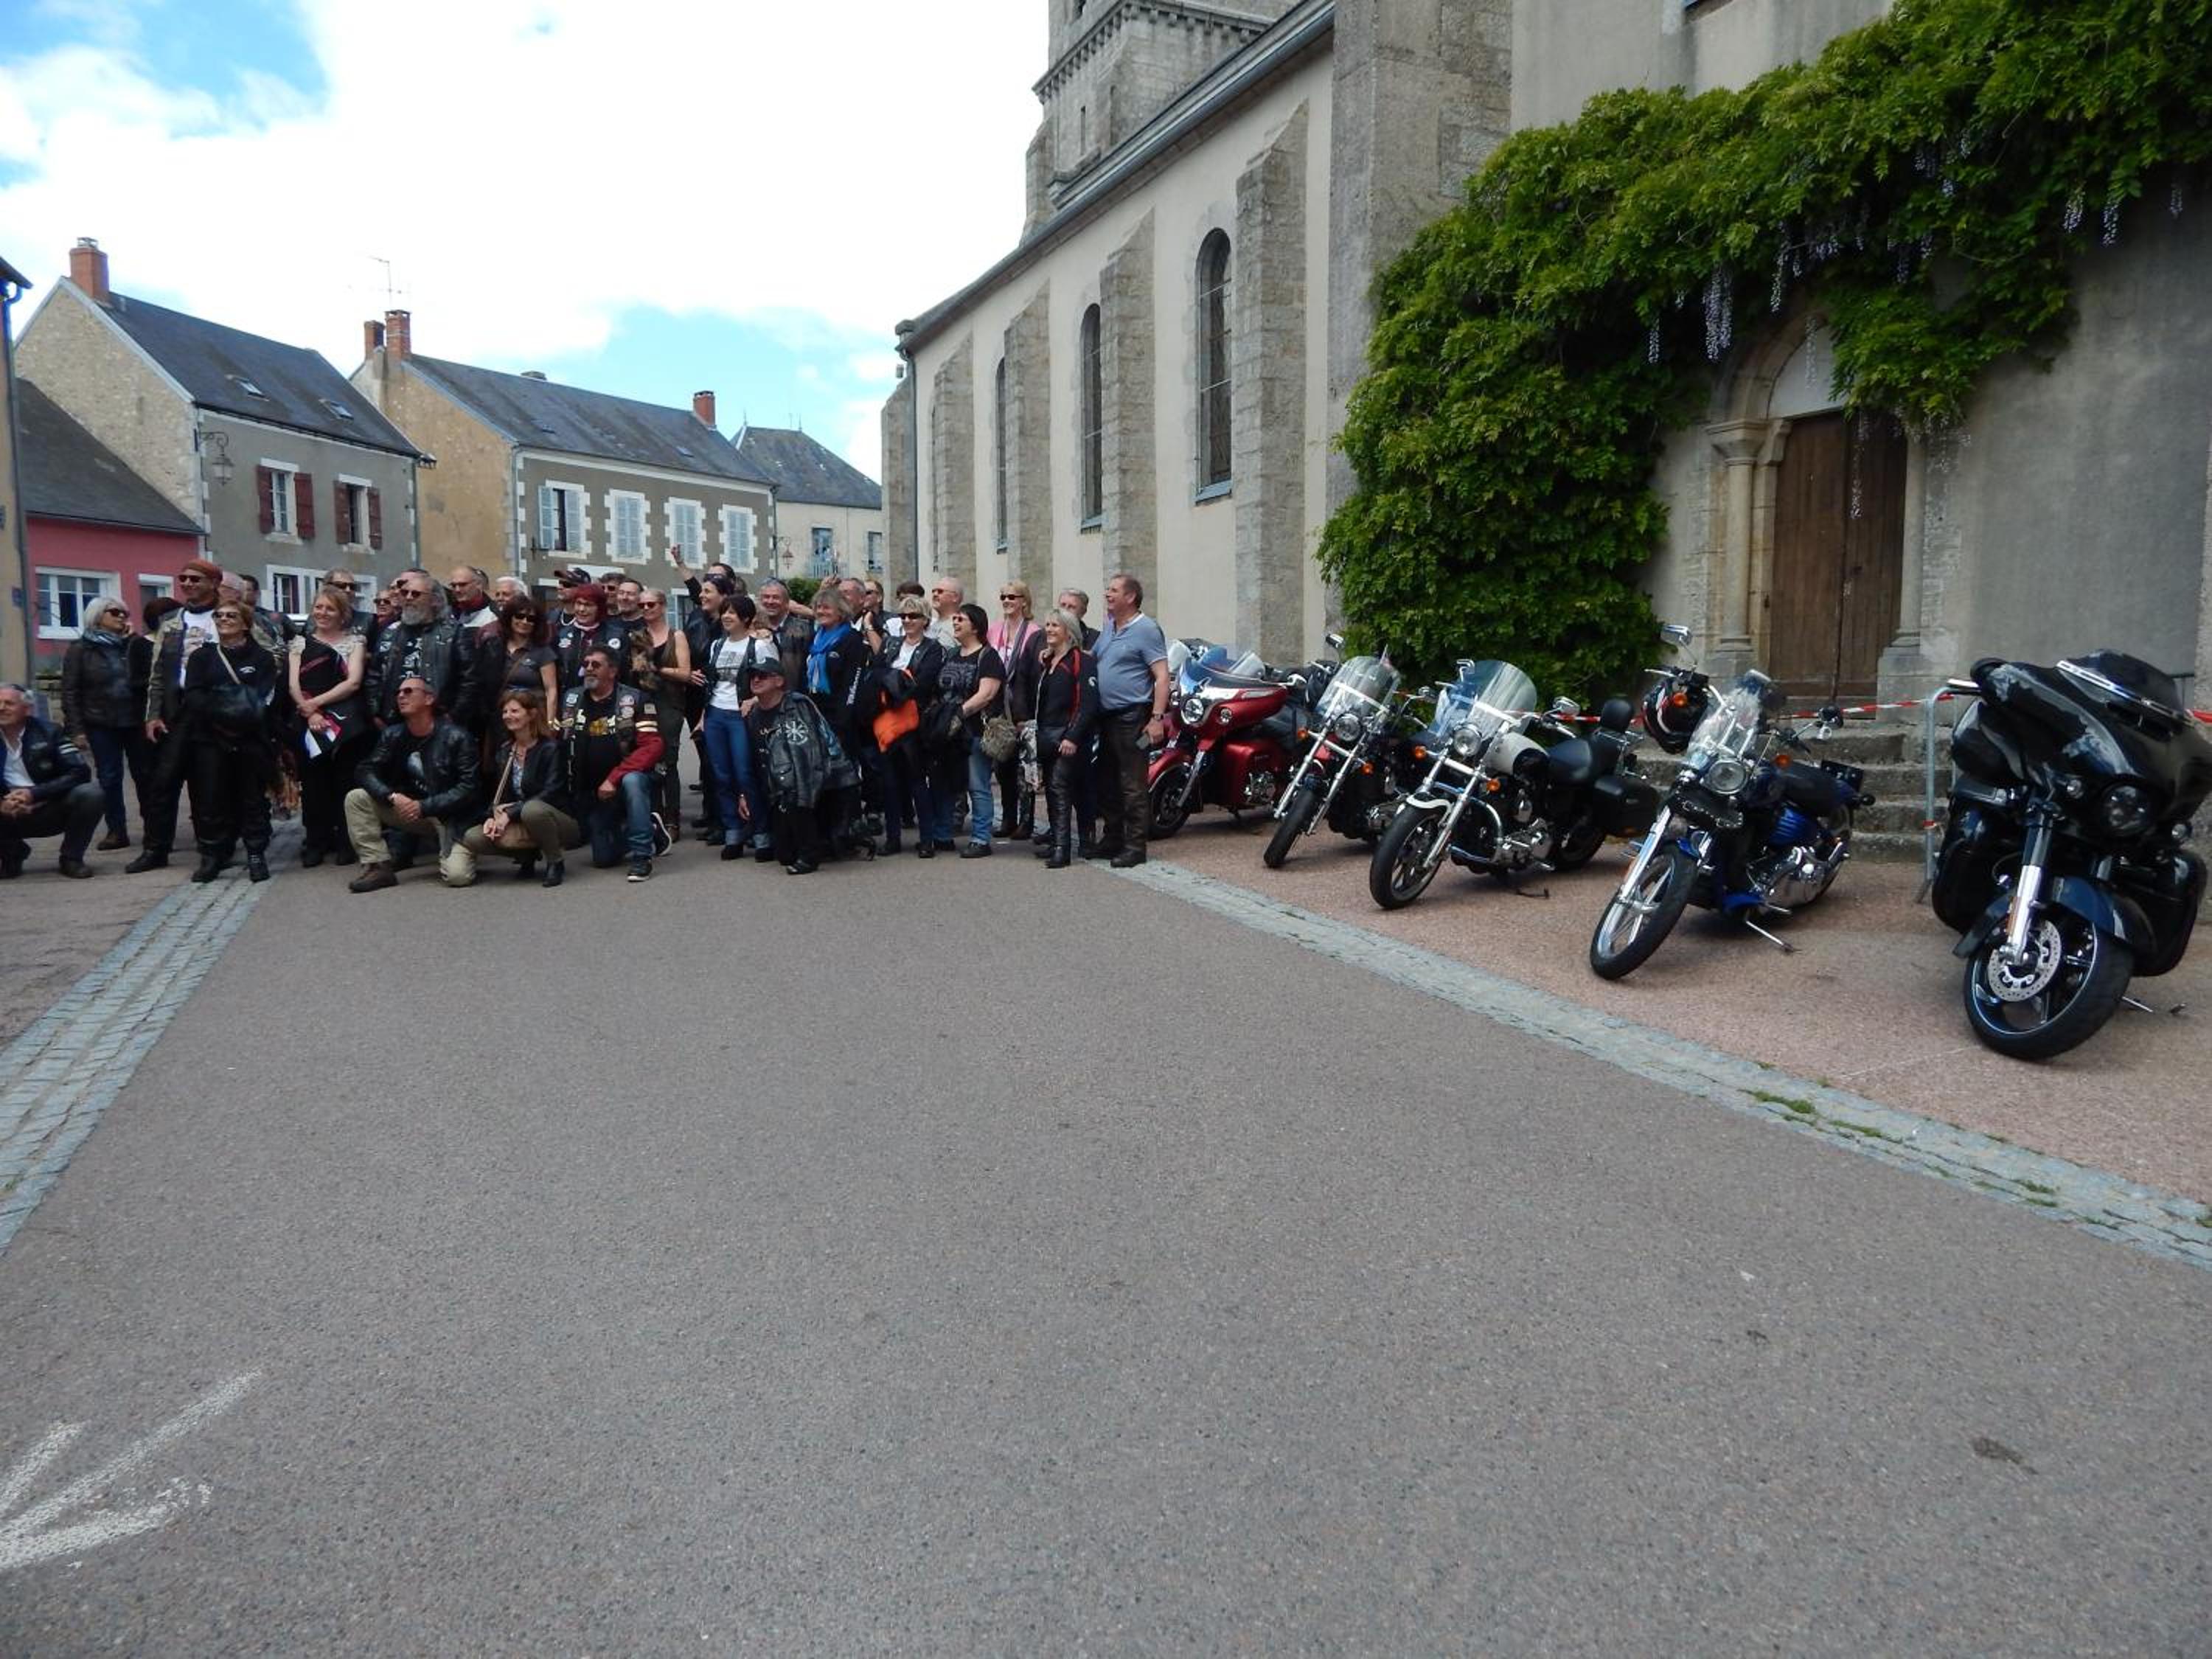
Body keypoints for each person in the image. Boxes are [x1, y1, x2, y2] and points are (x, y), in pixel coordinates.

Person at [130, 559, 276, 872]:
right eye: (183, 578)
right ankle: (156, 849)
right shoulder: (171, 622)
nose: (187, 584)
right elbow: (158, 672)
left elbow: (271, 654)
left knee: (210, 785)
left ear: (214, 583)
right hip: (180, 710)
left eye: (195, 579)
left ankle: (215, 849)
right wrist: (152, 714)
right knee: (163, 782)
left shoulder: (232, 614)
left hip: (229, 713)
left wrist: (248, 699)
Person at [344, 675, 481, 892]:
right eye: (398, 692)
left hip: (450, 817)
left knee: (458, 877)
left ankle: (464, 850)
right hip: (408, 810)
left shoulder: (458, 737)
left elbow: (469, 788)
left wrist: (424, 806)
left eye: (408, 691)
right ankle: (377, 867)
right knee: (357, 798)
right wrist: (392, 796)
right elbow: (365, 769)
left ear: (429, 699)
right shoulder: (393, 735)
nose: (401, 696)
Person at [178, 598, 282, 883]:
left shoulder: (261, 658)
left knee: (252, 798)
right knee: (212, 798)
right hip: (210, 738)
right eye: (220, 615)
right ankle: (212, 854)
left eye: (231, 616)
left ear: (246, 624)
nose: (224, 620)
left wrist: (238, 716)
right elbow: (194, 695)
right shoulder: (202, 657)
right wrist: (221, 713)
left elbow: (264, 697)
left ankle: (256, 853)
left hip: (250, 738)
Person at [742, 657, 856, 874]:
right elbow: (757, 762)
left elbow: (809, 759)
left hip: (821, 779)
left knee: (797, 797)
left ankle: (812, 853)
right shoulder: (754, 715)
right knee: (784, 855)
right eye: (753, 676)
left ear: (779, 681)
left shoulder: (797, 706)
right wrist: (744, 795)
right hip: (781, 784)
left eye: (763, 675)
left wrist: (798, 797)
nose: (756, 680)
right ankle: (821, 841)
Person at [559, 645, 663, 882]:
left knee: (633, 781)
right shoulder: (571, 699)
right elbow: (559, 741)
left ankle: (642, 857)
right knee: (603, 858)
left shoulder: (635, 699)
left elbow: (653, 746)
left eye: (596, 665)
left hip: (625, 782)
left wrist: (614, 778)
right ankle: (652, 830)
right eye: (586, 664)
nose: (588, 669)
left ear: (613, 671)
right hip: (591, 789)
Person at [1090, 571, 1169, 869]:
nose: (1107, 594)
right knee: (1106, 780)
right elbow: (1092, 658)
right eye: (1107, 590)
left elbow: (1162, 676)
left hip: (1133, 717)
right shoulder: (1110, 626)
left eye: (1113, 590)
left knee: (1132, 783)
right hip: (1106, 717)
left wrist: (1156, 719)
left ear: (1131, 597)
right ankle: (1112, 838)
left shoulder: (1146, 629)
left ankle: (1136, 846)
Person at [288, 586, 371, 868]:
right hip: (309, 721)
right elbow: (293, 684)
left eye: (330, 609)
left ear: (342, 614)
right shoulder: (300, 643)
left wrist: (317, 704)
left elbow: (353, 682)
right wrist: (310, 712)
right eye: (319, 607)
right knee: (313, 784)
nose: (323, 613)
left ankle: (346, 842)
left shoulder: (355, 642)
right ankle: (315, 842)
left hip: (346, 721)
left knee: (345, 783)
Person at [462, 690, 580, 886]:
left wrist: (510, 813)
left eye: (515, 711)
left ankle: (555, 861)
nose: (508, 716)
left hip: (556, 819)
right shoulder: (505, 751)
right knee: (473, 837)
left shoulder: (551, 748)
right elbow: (501, 795)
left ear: (532, 714)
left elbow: (552, 792)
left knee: (532, 810)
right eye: (505, 711)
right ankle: (526, 854)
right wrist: (492, 817)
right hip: (519, 818)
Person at [59, 597, 149, 851]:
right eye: (115, 612)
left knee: (145, 775)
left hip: (135, 720)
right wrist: (76, 729)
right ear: (98, 616)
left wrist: (132, 642)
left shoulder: (132, 644)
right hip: (100, 721)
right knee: (109, 777)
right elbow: (70, 691)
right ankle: (116, 830)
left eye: (124, 613)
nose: (122, 616)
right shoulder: (81, 649)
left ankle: (154, 829)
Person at [699, 594, 777, 860]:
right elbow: (712, 683)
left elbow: (776, 677)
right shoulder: (717, 645)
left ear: (746, 618)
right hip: (716, 714)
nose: (726, 617)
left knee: (746, 774)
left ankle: (761, 833)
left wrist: (753, 700)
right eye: (724, 612)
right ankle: (733, 831)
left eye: (732, 612)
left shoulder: (760, 646)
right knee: (721, 775)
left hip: (741, 717)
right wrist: (703, 717)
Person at [0, 682, 103, 879]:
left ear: (27, 709)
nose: (2, 708)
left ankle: (71, 858)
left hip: (49, 806)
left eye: (9, 703)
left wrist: (34, 794)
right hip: (6, 811)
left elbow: (80, 772)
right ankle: (11, 855)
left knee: (92, 793)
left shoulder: (51, 732)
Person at [928, 602, 1005, 858]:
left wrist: (959, 714)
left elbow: (987, 694)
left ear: (976, 626)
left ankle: (981, 838)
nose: (956, 623)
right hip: (947, 733)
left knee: (977, 784)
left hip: (974, 731)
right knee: (945, 784)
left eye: (961, 619)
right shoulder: (950, 654)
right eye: (955, 619)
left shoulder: (988, 656)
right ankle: (942, 835)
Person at [874, 595, 943, 857]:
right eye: (903, 616)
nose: (907, 621)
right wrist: (897, 680)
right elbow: (876, 672)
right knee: (889, 783)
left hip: (915, 723)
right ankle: (892, 839)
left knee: (917, 782)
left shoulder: (932, 648)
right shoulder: (891, 644)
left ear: (925, 620)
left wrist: (895, 682)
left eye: (913, 616)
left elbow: (923, 683)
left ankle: (927, 840)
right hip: (887, 720)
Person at [1032, 608, 1099, 869]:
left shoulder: (1082, 660)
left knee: (1061, 788)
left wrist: (1072, 736)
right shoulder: (1049, 661)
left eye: (1055, 626)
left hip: (1069, 736)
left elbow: (1088, 704)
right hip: (1048, 735)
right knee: (1053, 789)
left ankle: (1064, 848)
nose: (1049, 630)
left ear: (1069, 631)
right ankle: (1060, 842)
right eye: (1047, 625)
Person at [369, 569, 477, 729]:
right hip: (392, 721)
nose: (408, 598)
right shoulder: (390, 632)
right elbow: (374, 674)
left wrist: (453, 717)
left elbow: (469, 680)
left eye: (416, 594)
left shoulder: (454, 634)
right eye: (405, 593)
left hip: (437, 722)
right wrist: (375, 713)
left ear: (434, 600)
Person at [989, 579, 1042, 839]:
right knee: (1003, 765)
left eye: (1012, 597)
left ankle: (1027, 820)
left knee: (1025, 766)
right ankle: (1008, 817)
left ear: (1024, 601)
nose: (1007, 601)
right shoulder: (994, 629)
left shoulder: (1034, 632)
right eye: (1004, 597)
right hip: (999, 706)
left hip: (1023, 705)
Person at [637, 587, 692, 838]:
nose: (646, 609)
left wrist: (657, 668)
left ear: (662, 606)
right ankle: (655, 816)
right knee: (647, 760)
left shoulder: (676, 636)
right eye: (643, 605)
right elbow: (635, 671)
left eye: (651, 604)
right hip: (643, 704)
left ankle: (672, 819)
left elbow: (685, 673)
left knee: (668, 761)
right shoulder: (638, 637)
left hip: (669, 703)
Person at [479, 597, 560, 748]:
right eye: (520, 616)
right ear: (510, 617)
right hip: (503, 718)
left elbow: (551, 690)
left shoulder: (543, 651)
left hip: (532, 719)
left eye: (531, 619)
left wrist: (550, 723)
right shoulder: (495, 646)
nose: (525, 621)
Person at [552, 583, 639, 689]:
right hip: (570, 695)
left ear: (600, 608)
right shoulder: (561, 634)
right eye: (578, 603)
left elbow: (624, 675)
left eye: (588, 605)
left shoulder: (617, 636)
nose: (581, 609)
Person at [757, 580, 815, 684]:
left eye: (776, 598)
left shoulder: (804, 629)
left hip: (794, 690)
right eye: (766, 597)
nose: (770, 601)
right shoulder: (754, 629)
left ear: (787, 603)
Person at [236, 573, 295, 644]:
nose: (240, 593)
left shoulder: (275, 618)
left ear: (257, 593)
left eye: (246, 590)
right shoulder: (227, 618)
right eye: (237, 590)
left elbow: (299, 639)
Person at [448, 565, 496, 631]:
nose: (457, 590)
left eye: (463, 585)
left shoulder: (494, 614)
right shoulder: (447, 613)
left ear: (479, 584)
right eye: (454, 586)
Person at [926, 576, 964, 646]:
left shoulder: (961, 626)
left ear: (955, 597)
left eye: (940, 591)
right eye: (933, 591)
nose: (935, 594)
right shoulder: (931, 625)